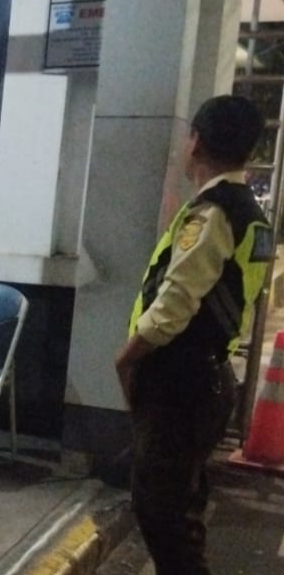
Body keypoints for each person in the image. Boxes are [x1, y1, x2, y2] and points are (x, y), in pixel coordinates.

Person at [115, 95, 272, 575]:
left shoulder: (213, 213)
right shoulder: (251, 214)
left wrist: (127, 358)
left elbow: (174, 305)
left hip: (179, 382)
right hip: (208, 379)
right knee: (180, 507)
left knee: (161, 514)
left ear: (196, 141)